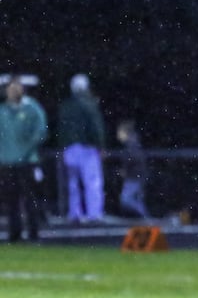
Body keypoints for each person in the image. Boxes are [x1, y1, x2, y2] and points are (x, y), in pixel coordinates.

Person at [0, 75, 48, 242]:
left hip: (28, 162)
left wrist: (26, 150)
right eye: (10, 88)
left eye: (16, 87)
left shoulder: (32, 108)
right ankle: (15, 234)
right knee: (11, 201)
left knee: (30, 199)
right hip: (6, 163)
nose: (13, 90)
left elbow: (41, 132)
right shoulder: (3, 111)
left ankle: (34, 233)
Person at [57, 73, 106, 224]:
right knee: (92, 181)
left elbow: (61, 129)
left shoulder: (65, 106)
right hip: (87, 148)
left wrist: (62, 147)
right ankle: (94, 214)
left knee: (73, 183)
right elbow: (96, 127)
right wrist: (101, 145)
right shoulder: (89, 104)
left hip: (70, 148)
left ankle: (75, 213)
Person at [116, 119, 150, 218]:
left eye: (120, 132)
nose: (118, 134)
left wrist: (126, 170)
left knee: (126, 200)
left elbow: (134, 159)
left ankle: (145, 217)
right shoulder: (132, 144)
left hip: (134, 177)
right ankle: (146, 219)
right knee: (137, 200)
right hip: (137, 176)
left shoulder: (132, 145)